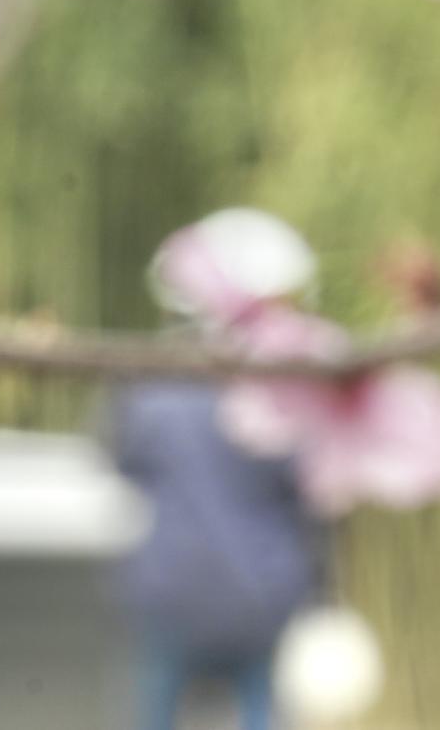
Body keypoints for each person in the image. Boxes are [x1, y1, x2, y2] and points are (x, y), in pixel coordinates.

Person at [109, 211, 327, 730]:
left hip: (170, 588)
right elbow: (311, 493)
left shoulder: (149, 385)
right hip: (262, 594)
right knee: (260, 711)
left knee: (155, 711)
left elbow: (120, 461)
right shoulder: (283, 391)